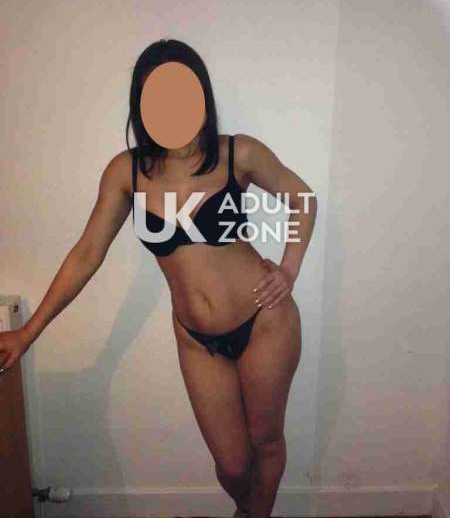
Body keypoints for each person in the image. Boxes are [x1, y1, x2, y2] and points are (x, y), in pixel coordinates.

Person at [0, 39, 317, 517]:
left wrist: (289, 268)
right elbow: (86, 254)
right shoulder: (126, 172)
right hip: (196, 339)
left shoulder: (238, 152)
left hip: (264, 321)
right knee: (232, 464)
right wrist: (28, 331)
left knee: (266, 441)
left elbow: (303, 198)